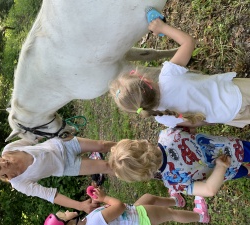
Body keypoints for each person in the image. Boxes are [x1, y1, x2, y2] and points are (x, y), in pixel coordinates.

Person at [109, 16, 250, 129]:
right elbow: (188, 42)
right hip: (236, 93)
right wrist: (162, 27)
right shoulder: (168, 75)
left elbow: (195, 122)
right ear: (145, 80)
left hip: (229, 115)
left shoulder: (162, 117)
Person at [0, 136, 116, 213]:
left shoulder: (9, 149)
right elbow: (50, 195)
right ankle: (136, 169)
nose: (4, 162)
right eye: (0, 168)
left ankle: (134, 146)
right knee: (107, 166)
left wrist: (57, 128)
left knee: (102, 145)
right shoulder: (19, 183)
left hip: (62, 144)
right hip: (67, 166)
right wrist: (80, 206)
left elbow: (33, 137)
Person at [108, 127, 250, 197]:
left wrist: (221, 167)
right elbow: (191, 126)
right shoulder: (167, 134)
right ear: (140, 143)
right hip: (233, 148)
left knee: (245, 171)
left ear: (142, 175)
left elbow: (209, 190)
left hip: (227, 170)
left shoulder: (173, 182)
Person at [44, 188, 210, 225]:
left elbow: (109, 213)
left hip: (133, 214)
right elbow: (120, 206)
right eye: (62, 215)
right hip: (138, 217)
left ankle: (177, 200)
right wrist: (104, 197)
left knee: (148, 197)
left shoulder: (89, 220)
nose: (65, 211)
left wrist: (98, 203)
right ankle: (201, 216)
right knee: (170, 214)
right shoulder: (94, 221)